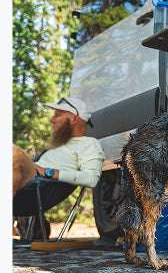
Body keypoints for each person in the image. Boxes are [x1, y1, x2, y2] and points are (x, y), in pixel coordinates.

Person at [13, 96, 104, 239]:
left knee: (14, 152)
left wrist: (48, 172)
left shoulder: (89, 144)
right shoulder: (57, 145)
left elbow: (91, 179)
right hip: (26, 185)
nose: (52, 120)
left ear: (74, 119)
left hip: (35, 190)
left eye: (57, 115)